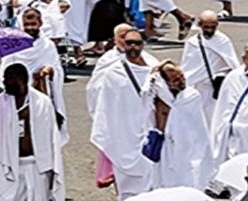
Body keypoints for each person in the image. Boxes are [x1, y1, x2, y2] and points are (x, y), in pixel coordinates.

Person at [0, 8, 68, 189]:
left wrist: (49, 71)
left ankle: (46, 183)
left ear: (40, 23)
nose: (30, 27)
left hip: (41, 101)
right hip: (18, 103)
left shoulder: (48, 46)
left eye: (33, 23)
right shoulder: (14, 45)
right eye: (26, 24)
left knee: (44, 143)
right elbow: (5, 73)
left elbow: (57, 70)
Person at [0, 63, 62, 201]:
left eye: (7, 79)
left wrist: (53, 167)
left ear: (19, 79)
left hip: (37, 166)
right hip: (11, 166)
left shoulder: (41, 102)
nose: (4, 82)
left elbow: (52, 136)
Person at [89, 28, 152, 198]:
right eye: (129, 42)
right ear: (122, 43)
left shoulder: (153, 67)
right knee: (126, 184)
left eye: (137, 43)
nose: (133, 46)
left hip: (148, 133)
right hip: (123, 134)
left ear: (142, 45)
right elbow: (105, 105)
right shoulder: (113, 72)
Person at [144, 61, 212, 191]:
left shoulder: (191, 96)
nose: (181, 81)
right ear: (166, 83)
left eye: (182, 76)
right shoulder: (157, 100)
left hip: (188, 147)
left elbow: (198, 127)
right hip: (166, 150)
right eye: (175, 80)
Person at [179, 10, 239, 121]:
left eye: (213, 27)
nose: (210, 30)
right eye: (206, 27)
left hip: (213, 90)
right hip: (195, 89)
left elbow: (233, 64)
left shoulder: (223, 41)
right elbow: (187, 66)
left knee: (213, 121)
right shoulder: (192, 43)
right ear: (200, 25)